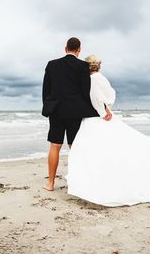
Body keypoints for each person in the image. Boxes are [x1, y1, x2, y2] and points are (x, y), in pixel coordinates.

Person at [67, 55, 150, 206]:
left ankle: (99, 185)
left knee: (95, 151)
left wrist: (102, 111)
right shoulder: (102, 77)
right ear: (98, 66)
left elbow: (96, 98)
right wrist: (107, 107)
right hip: (104, 115)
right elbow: (111, 95)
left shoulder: (92, 79)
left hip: (97, 118)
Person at [41, 37, 112, 191]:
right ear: (79, 50)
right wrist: (103, 108)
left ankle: (50, 184)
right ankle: (77, 183)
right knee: (75, 147)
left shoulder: (52, 65)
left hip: (56, 111)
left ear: (65, 48)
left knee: (55, 145)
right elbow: (87, 92)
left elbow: (46, 89)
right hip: (75, 112)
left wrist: (48, 106)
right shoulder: (83, 66)